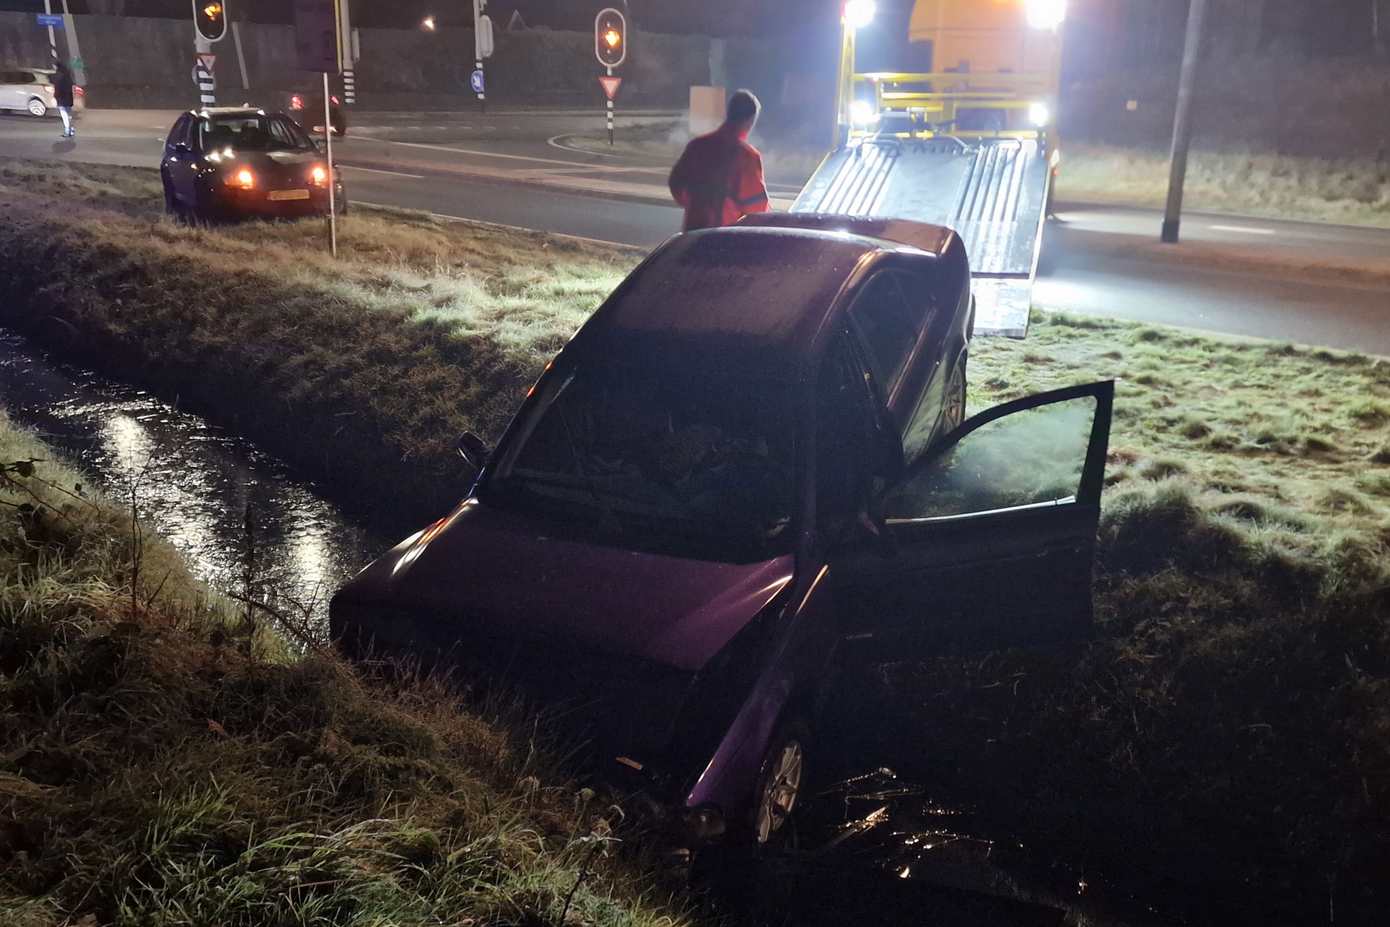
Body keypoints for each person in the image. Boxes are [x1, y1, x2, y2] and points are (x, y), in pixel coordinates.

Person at [668, 89, 771, 232]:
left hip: (691, 235)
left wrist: (695, 206)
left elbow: (676, 183)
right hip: (724, 239)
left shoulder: (697, 146)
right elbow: (757, 208)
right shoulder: (747, 156)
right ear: (750, 121)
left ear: (728, 114)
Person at [52, 60, 75, 139]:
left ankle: (67, 131)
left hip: (61, 99)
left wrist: (56, 96)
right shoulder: (67, 75)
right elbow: (70, 86)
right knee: (69, 115)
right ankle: (71, 130)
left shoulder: (59, 76)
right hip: (68, 98)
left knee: (65, 116)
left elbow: (57, 88)